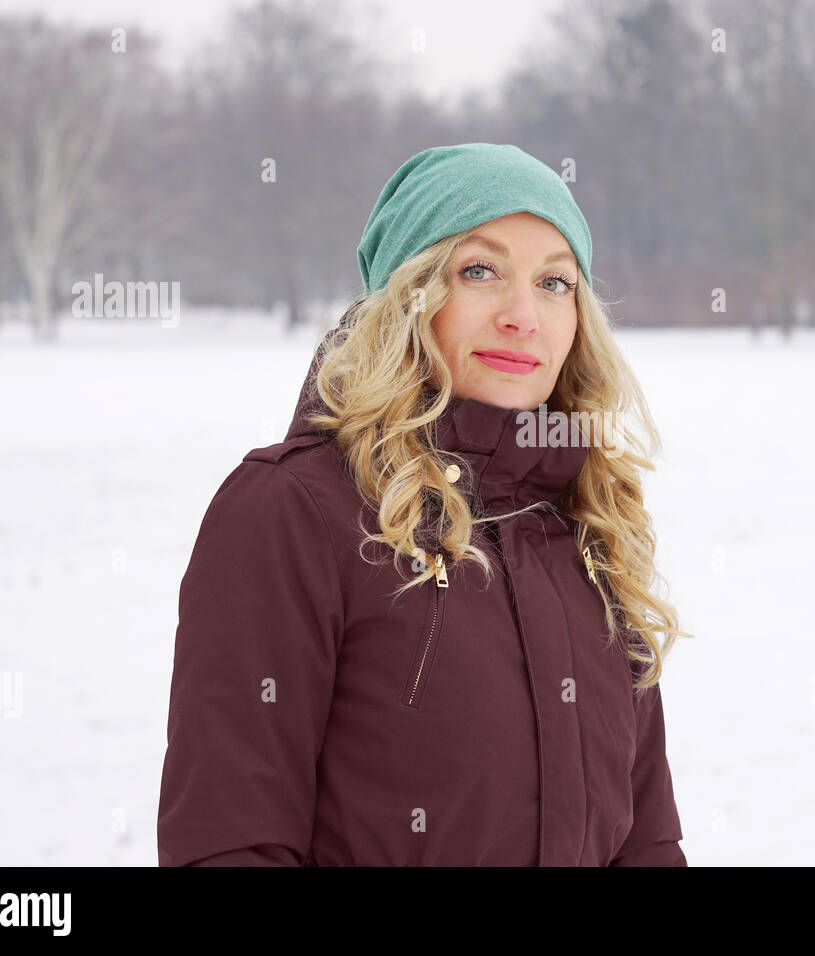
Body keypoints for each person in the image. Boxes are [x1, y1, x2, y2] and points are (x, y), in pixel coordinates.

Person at [157, 143, 690, 866]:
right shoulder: (292, 513)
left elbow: (647, 844)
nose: (522, 316)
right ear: (407, 296)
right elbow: (230, 841)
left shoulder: (589, 526)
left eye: (555, 282)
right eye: (479, 271)